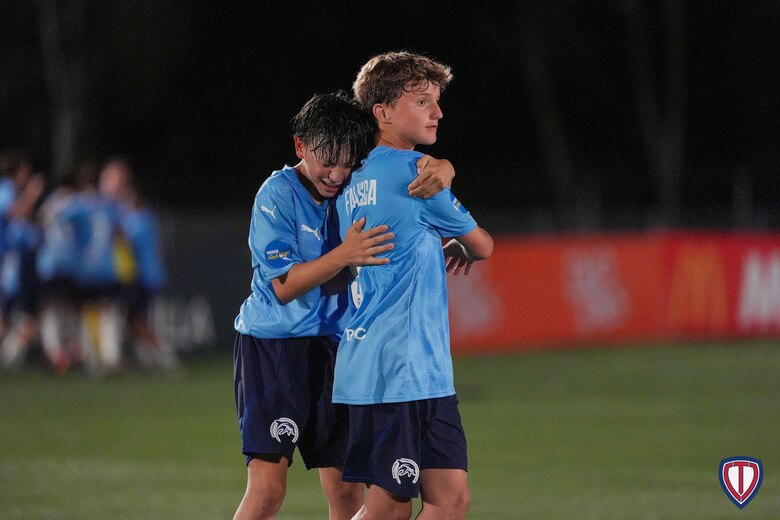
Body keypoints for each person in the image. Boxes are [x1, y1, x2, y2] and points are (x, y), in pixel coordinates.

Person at [232, 91, 455, 520]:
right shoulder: (276, 195)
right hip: (274, 347)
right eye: (325, 160)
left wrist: (446, 166)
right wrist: (345, 254)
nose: (336, 174)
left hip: (339, 347)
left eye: (346, 162)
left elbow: (408, 166)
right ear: (300, 146)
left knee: (348, 491)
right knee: (267, 491)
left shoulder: (356, 183)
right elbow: (284, 286)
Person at [333, 52, 494, 520]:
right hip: (396, 369)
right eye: (422, 101)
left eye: (437, 101)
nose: (437, 112)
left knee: (450, 500)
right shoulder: (414, 173)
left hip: (413, 368)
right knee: (389, 507)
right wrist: (444, 169)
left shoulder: (354, 175)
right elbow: (482, 245)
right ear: (381, 111)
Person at [99, 157, 178, 372]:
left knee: (135, 321)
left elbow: (125, 237)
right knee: (132, 321)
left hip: (141, 276)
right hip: (137, 275)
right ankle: (153, 360)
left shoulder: (131, 208)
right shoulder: (126, 208)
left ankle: (165, 361)